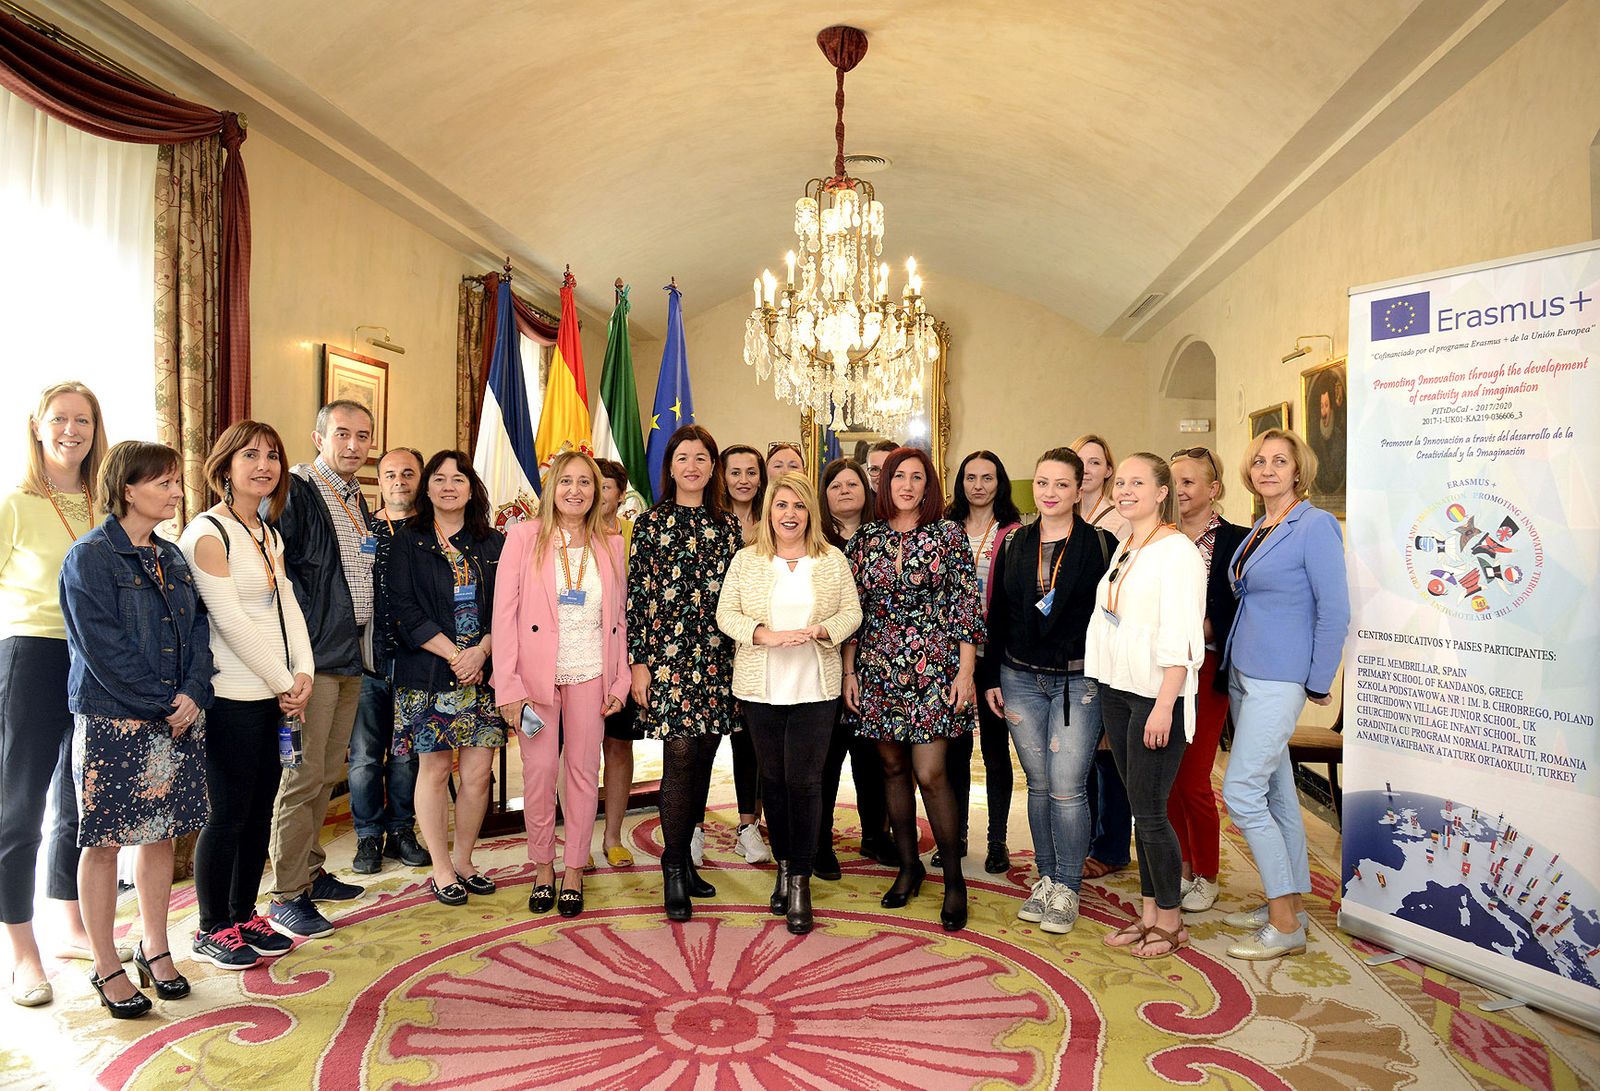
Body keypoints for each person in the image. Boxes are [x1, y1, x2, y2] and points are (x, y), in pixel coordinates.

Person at [59, 441, 214, 1018]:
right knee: (101, 844)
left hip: (177, 716)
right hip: (113, 719)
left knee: (162, 836)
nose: (177, 492)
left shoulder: (173, 557)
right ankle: (106, 964)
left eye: (177, 482)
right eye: (166, 483)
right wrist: (162, 700)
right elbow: (102, 649)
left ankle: (156, 948)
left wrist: (193, 693)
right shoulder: (89, 558)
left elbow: (200, 633)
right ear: (129, 488)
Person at [178, 422, 314, 971]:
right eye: (251, 455)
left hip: (274, 693)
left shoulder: (266, 531)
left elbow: (288, 608)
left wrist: (304, 673)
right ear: (225, 466)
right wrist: (286, 682)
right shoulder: (207, 532)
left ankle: (242, 913)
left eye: (274, 456)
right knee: (229, 813)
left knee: (261, 810)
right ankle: (211, 927)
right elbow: (231, 622)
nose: (265, 465)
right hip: (232, 693)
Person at [1, 382, 112, 1009]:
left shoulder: (104, 503)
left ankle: (69, 923)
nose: (72, 430)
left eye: (84, 420)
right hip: (32, 656)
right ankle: (20, 949)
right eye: (60, 419)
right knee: (18, 810)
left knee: (79, 800)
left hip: (96, 665)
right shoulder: (14, 504)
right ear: (37, 426)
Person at [1220, 429, 1349, 960]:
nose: (1268, 469)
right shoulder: (1260, 527)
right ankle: (1290, 900)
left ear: (1299, 470)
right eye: (1259, 461)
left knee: (1241, 792)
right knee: (1276, 795)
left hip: (1280, 676)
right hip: (1244, 670)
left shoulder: (1314, 525)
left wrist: (1318, 678)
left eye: (1280, 461)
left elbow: (1334, 608)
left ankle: (1284, 924)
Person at [843, 447, 983, 932]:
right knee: (891, 766)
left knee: (931, 773)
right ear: (885, 484)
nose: (906, 484)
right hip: (878, 667)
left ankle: (954, 882)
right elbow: (851, 613)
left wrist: (965, 673)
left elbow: (967, 607)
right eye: (898, 476)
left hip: (934, 669)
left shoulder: (948, 536)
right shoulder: (864, 539)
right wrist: (849, 671)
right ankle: (908, 866)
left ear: (929, 486)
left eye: (917, 477)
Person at [717, 472, 861, 933]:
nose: (790, 515)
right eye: (781, 506)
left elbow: (851, 612)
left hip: (815, 689)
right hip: (761, 689)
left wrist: (823, 631)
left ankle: (800, 880)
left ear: (810, 514)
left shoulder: (832, 560)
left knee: (805, 781)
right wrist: (763, 635)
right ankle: (783, 864)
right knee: (774, 782)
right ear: (768, 512)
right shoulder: (747, 560)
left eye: (798, 506)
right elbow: (727, 613)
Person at [981, 448, 1112, 935]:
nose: (1050, 493)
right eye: (1042, 483)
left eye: (1061, 484)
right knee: (1037, 784)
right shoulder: (1016, 543)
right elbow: (997, 614)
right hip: (1019, 678)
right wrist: (991, 675)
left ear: (1079, 490)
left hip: (1078, 681)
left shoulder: (1101, 543)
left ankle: (1069, 886)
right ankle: (1046, 877)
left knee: (1066, 786)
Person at [493, 451, 628, 918]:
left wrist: (621, 678)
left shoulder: (611, 544)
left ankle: (573, 868)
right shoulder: (523, 537)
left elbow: (620, 621)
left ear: (598, 492)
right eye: (566, 481)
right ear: (552, 489)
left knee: (583, 771)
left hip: (592, 671)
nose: (576, 490)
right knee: (540, 772)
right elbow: (504, 616)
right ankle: (542, 865)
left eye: (586, 483)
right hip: (535, 680)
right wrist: (507, 686)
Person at [1084, 453, 1206, 960]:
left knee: (1152, 813)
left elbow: (1182, 634)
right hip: (1119, 688)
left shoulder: (1177, 552)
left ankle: (1172, 923)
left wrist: (1165, 704)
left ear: (1162, 492)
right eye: (1122, 482)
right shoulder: (1128, 545)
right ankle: (1149, 913)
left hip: (1157, 696)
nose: (1126, 490)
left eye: (1139, 482)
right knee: (1138, 808)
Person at [268, 400, 376, 938]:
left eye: (363, 435)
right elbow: (280, 575)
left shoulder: (357, 498)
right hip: (311, 657)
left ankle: (310, 872)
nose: (353, 445)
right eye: (342, 434)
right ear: (317, 436)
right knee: (302, 776)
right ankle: (286, 893)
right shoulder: (296, 491)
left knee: (327, 773)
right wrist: (293, 657)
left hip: (349, 652)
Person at [627, 425, 743, 921]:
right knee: (678, 755)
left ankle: (688, 863)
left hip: (720, 659)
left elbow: (741, 598)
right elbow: (637, 599)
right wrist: (639, 663)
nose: (692, 466)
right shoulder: (652, 524)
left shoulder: (728, 527)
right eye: (683, 458)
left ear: (712, 467)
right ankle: (673, 867)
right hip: (670, 659)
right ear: (669, 467)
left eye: (701, 458)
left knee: (703, 758)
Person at [387, 451, 505, 907]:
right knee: (434, 769)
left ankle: (465, 859)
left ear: (471, 488)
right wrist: (457, 654)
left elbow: (508, 609)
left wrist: (481, 652)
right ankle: (440, 866)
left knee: (479, 774)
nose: (448, 486)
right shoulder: (407, 541)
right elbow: (404, 610)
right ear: (427, 488)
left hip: (484, 672)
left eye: (458, 479)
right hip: (428, 673)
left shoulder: (494, 544)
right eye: (439, 479)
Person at [1167, 448, 1247, 914]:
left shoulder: (1237, 540)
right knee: (1167, 777)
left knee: (1194, 776)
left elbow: (1239, 607)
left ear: (1213, 489)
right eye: (1173, 482)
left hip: (1208, 668)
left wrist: (1198, 632)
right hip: (1162, 669)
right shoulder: (1162, 538)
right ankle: (1180, 866)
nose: (1179, 491)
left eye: (1189, 482)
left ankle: (1208, 872)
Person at [349, 448, 429, 875]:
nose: (399, 481)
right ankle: (367, 837)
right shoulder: (364, 530)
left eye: (408, 473)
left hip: (417, 665)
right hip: (365, 664)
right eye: (391, 474)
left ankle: (401, 831)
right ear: (378, 481)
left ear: (420, 479)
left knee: (405, 756)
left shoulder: (432, 532)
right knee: (363, 757)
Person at [945, 450, 1021, 874]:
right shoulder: (944, 529)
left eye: (987, 477)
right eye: (970, 477)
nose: (978, 485)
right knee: (953, 753)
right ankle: (953, 835)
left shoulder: (1013, 533)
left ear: (999, 482)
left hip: (995, 657)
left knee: (995, 753)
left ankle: (997, 839)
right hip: (951, 656)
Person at [815, 458, 892, 872]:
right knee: (825, 759)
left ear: (867, 490)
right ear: (823, 496)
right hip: (824, 661)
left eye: (852, 483)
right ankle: (820, 842)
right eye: (835, 485)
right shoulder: (815, 542)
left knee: (873, 757)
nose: (844, 490)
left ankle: (876, 836)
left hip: (879, 661)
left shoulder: (884, 536)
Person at [1073, 432, 1132, 882]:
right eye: (1080, 462)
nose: (1088, 469)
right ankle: (1088, 837)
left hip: (1110, 643)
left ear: (1108, 471)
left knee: (1108, 752)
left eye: (1095, 462)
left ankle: (1111, 846)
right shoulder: (1064, 512)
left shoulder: (1120, 519)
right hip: (1076, 648)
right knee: (1085, 751)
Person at [711, 444, 770, 866]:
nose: (744, 479)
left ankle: (748, 825)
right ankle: (692, 825)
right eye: (736, 472)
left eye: (752, 472)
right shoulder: (713, 522)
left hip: (762, 647)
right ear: (723, 476)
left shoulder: (775, 520)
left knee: (752, 741)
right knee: (706, 739)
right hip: (712, 646)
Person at [596, 458, 641, 868]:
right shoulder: (561, 536)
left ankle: (612, 836)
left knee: (618, 745)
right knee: (572, 753)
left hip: (619, 659)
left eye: (605, 486)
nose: (597, 492)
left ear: (621, 495)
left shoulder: (633, 535)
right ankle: (576, 837)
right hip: (574, 661)